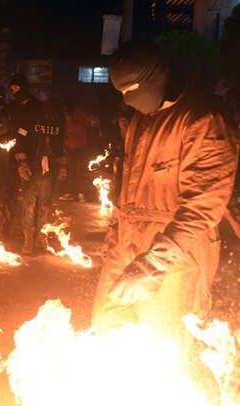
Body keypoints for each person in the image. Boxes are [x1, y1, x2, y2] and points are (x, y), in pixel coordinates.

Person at [92, 41, 238, 335]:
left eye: (131, 90)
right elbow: (128, 191)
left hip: (177, 258)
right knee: (106, 331)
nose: (127, 100)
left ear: (156, 79)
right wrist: (114, 238)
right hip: (125, 250)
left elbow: (203, 204)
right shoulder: (140, 121)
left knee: (160, 345)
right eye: (120, 93)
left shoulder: (203, 120)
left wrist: (154, 262)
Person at [12, 76, 66, 254]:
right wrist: (22, 162)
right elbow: (22, 136)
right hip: (34, 164)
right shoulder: (31, 114)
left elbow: (60, 143)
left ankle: (40, 236)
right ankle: (29, 239)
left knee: (43, 204)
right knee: (31, 203)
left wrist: (62, 166)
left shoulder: (57, 118)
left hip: (47, 167)